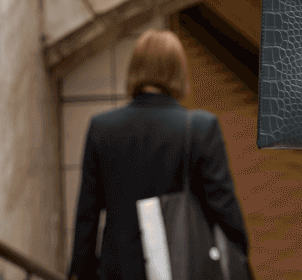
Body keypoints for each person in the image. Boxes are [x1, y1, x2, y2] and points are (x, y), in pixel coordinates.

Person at [67, 29, 249, 280]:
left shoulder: (102, 128)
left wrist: (81, 271)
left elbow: (87, 216)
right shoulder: (200, 128)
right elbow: (224, 209)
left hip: (119, 270)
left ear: (135, 70)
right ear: (178, 71)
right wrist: (240, 261)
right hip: (183, 268)